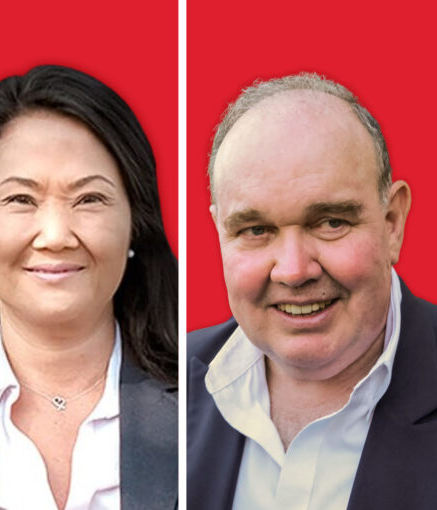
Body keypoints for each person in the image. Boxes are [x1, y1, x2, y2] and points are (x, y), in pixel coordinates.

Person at [0, 65, 178, 510]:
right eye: (21, 199)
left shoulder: (211, 409)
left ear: (134, 221)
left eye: (89, 199)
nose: (56, 235)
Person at [186, 73, 437, 510]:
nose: (294, 270)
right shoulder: (154, 387)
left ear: (392, 222)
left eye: (331, 222)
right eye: (256, 230)